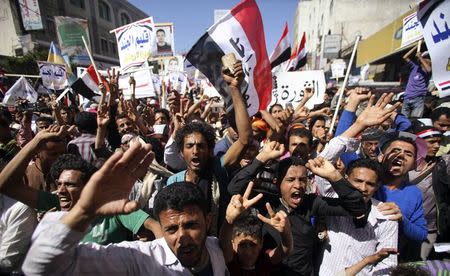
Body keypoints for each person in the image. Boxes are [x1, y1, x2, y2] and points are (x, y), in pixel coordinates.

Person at [22, 145, 228, 275]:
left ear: (208, 221)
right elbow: (40, 267)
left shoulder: (214, 248)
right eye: (171, 229)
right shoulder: (142, 259)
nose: (182, 237)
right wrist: (85, 210)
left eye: (191, 225)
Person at [0, 125, 159, 245]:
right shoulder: (55, 203)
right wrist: (36, 141)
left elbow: (154, 226)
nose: (61, 191)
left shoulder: (110, 208)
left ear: (87, 188)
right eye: (59, 184)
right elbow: (5, 185)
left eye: (70, 185)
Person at [318, 158, 398, 276]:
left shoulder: (385, 216)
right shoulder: (331, 200)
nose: (363, 188)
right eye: (358, 181)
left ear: (377, 186)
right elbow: (322, 162)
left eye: (370, 184)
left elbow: (388, 264)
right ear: (346, 179)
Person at [220, 182, 293, 275]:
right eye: (242, 245)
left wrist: (285, 233)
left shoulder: (264, 261)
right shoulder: (230, 261)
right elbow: (223, 242)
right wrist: (229, 220)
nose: (248, 252)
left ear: (261, 243)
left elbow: (285, 250)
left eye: (253, 245)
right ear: (233, 243)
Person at [411, 123, 450, 260]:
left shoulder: (443, 164)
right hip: (403, 225)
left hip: (430, 229)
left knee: (418, 265)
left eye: (439, 142)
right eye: (432, 142)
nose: (437, 146)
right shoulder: (404, 163)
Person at [401, 44, 432, 118]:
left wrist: (420, 57)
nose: (426, 60)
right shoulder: (414, 67)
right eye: (425, 58)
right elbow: (405, 57)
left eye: (428, 58)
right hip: (407, 98)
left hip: (418, 99)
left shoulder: (427, 71)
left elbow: (429, 70)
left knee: (415, 121)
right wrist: (416, 46)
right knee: (403, 121)